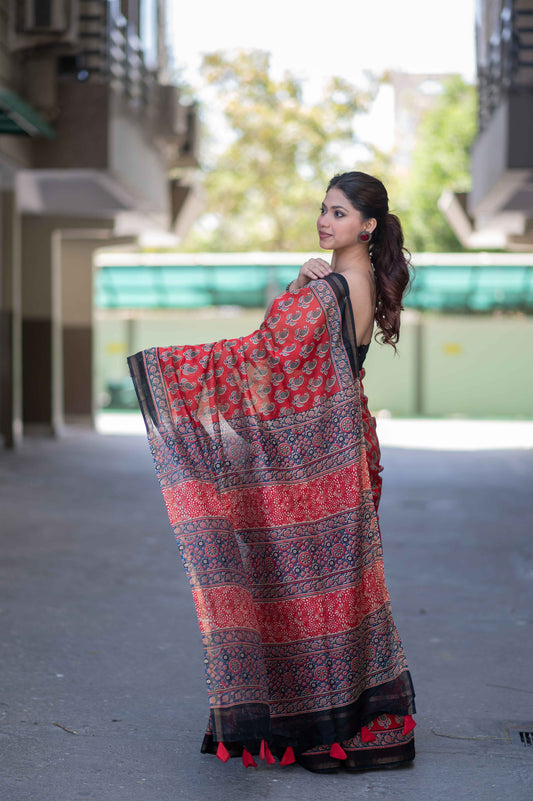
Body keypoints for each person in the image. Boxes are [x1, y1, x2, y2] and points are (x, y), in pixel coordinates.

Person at [128, 170, 416, 774]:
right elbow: (285, 356)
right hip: (343, 445)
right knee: (333, 589)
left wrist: (170, 371)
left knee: (309, 586)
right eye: (324, 209)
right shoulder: (346, 281)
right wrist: (298, 280)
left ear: (367, 225)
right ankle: (335, 719)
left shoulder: (339, 284)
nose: (325, 220)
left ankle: (324, 724)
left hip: (321, 457)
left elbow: (264, 357)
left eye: (339, 213)